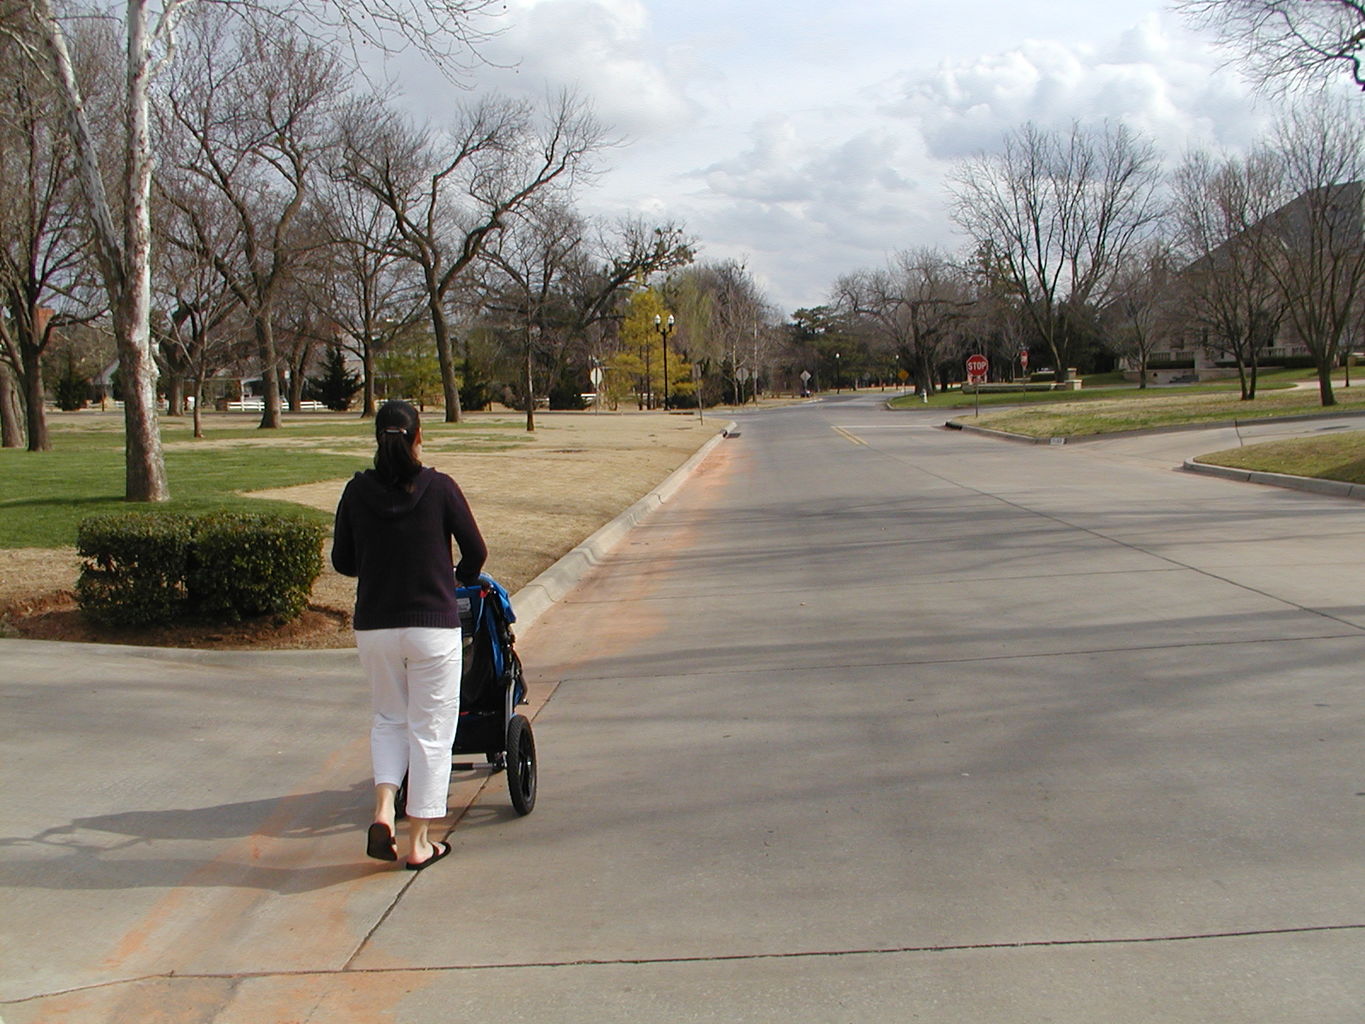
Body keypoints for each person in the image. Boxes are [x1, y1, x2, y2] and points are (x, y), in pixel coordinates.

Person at [331, 400, 487, 870]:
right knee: (431, 732)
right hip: (432, 627)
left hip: (375, 627)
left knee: (389, 719)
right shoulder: (439, 488)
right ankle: (419, 841)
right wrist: (456, 576)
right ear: (419, 437)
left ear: (378, 438)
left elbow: (343, 561)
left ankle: (383, 810)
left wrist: (378, 563)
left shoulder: (357, 491)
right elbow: (475, 551)